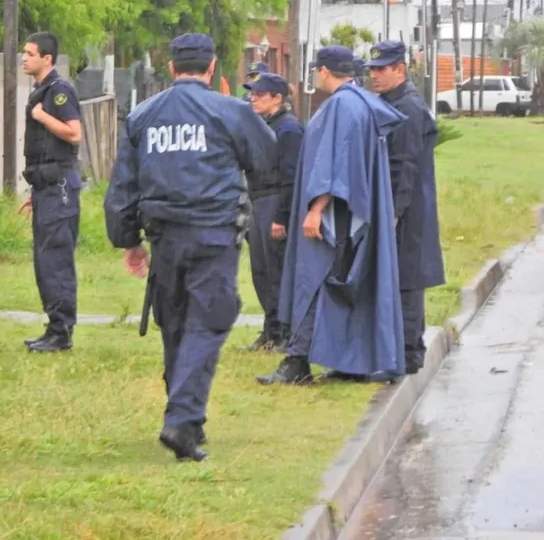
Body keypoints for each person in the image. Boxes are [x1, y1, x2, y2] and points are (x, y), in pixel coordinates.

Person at [104, 33, 277, 461]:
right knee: (208, 320)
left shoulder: (143, 115)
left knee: (177, 323)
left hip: (164, 237)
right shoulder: (231, 111)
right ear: (213, 66)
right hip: (214, 234)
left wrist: (128, 240)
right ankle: (181, 420)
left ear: (172, 68)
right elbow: (266, 158)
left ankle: (187, 422)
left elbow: (123, 185)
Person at [257, 45, 408, 386]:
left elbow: (334, 162)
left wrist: (316, 210)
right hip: (351, 215)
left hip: (336, 216)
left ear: (324, 71)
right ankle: (351, 360)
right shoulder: (361, 102)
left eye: (316, 70)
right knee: (343, 284)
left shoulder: (342, 105)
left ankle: (296, 362)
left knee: (317, 280)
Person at [365, 40, 445, 375]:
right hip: (402, 202)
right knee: (399, 275)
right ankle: (401, 350)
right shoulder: (389, 102)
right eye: (373, 70)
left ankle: (410, 353)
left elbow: (406, 164)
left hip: (408, 205)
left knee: (407, 277)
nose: (375, 76)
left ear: (401, 69)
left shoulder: (408, 107)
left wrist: (394, 212)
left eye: (382, 69)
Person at [18, 31, 83, 354]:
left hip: (59, 189)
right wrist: (36, 192)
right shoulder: (41, 90)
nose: (24, 58)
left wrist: (42, 115)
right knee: (44, 261)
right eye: (24, 53)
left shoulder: (58, 92)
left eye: (30, 53)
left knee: (56, 260)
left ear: (47, 59)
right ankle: (54, 326)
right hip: (47, 188)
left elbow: (73, 134)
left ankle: (62, 331)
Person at [242, 73, 305, 353]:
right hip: (257, 198)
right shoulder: (262, 125)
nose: (253, 98)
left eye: (259, 94)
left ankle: (284, 331)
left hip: (275, 199)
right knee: (261, 269)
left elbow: (292, 177)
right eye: (252, 94)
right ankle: (270, 328)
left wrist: (282, 216)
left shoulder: (289, 129)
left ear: (277, 98)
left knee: (276, 269)